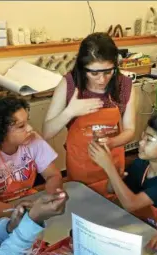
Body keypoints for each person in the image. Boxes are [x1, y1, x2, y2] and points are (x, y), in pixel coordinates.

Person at [43, 32, 135, 196]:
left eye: (108, 72)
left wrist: (112, 142)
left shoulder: (124, 86)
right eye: (94, 73)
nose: (102, 80)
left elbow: (130, 130)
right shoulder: (69, 84)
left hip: (112, 166)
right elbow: (47, 132)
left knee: (113, 206)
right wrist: (70, 112)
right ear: (82, 68)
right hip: (80, 168)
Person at [0, 96, 63, 218]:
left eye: (27, 122)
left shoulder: (32, 139)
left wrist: (53, 198)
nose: (30, 128)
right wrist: (20, 211)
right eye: (21, 126)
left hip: (25, 203)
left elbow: (53, 175)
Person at [89, 114, 157, 231]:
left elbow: (131, 204)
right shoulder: (141, 164)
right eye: (143, 137)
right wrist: (115, 173)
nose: (141, 143)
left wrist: (108, 167)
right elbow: (111, 189)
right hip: (140, 222)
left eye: (149, 140)